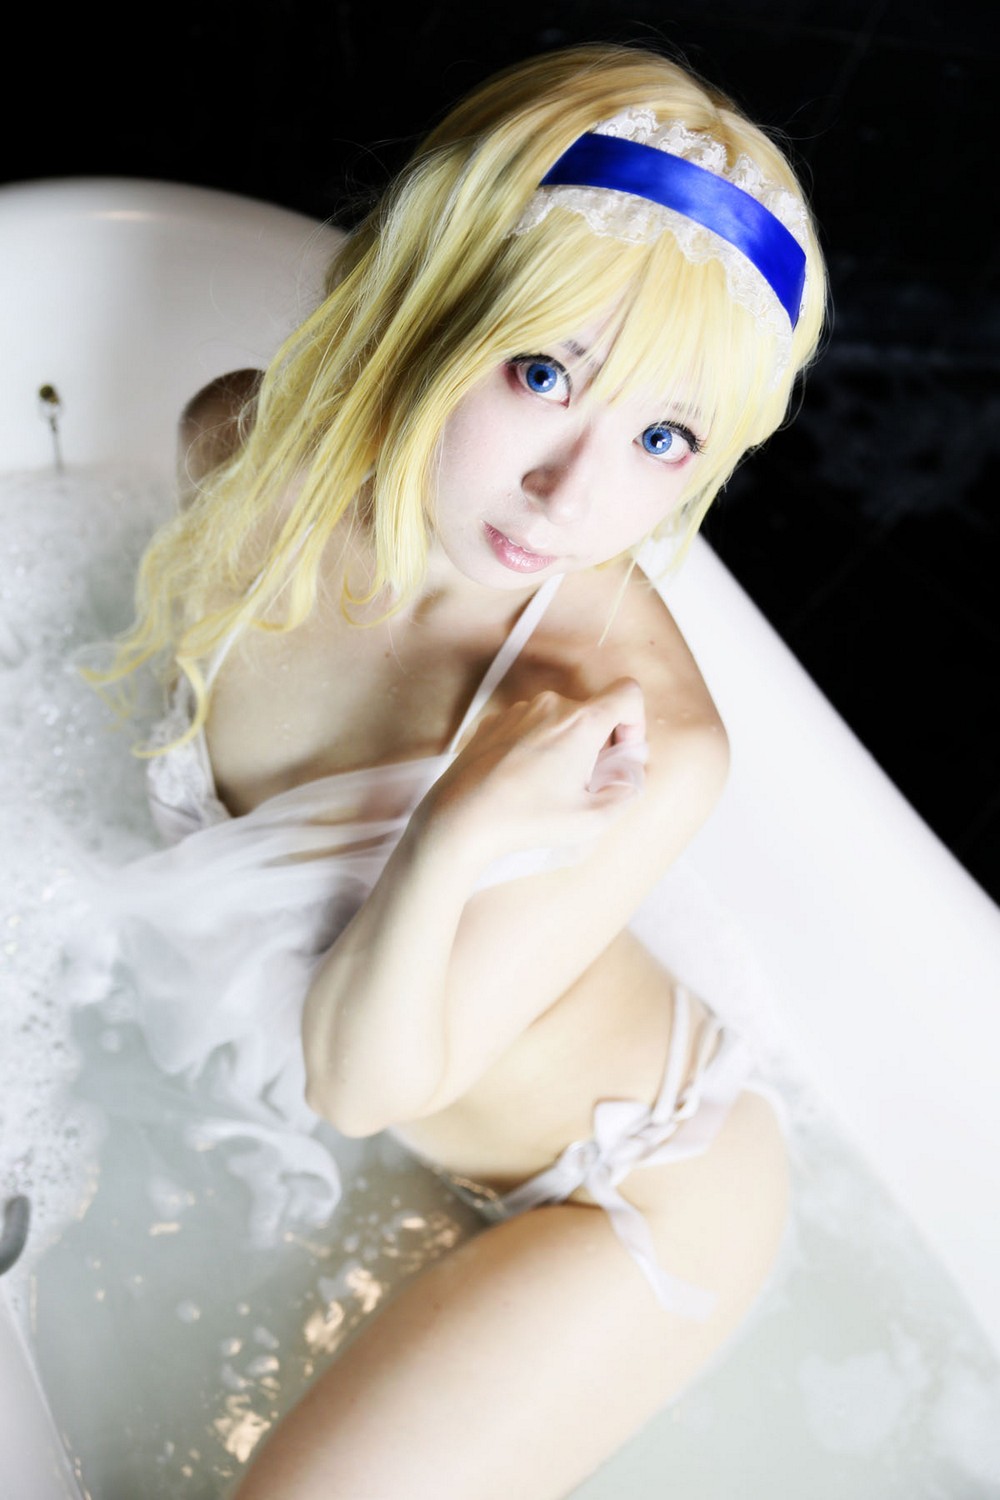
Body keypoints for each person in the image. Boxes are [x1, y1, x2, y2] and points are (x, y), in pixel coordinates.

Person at [92, 39, 826, 1499]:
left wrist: (457, 831)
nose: (574, 494)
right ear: (432, 299)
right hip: (432, 1123)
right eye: (543, 373)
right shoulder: (239, 449)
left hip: (625, 1191)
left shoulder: (634, 730)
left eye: (663, 437)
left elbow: (361, 1085)